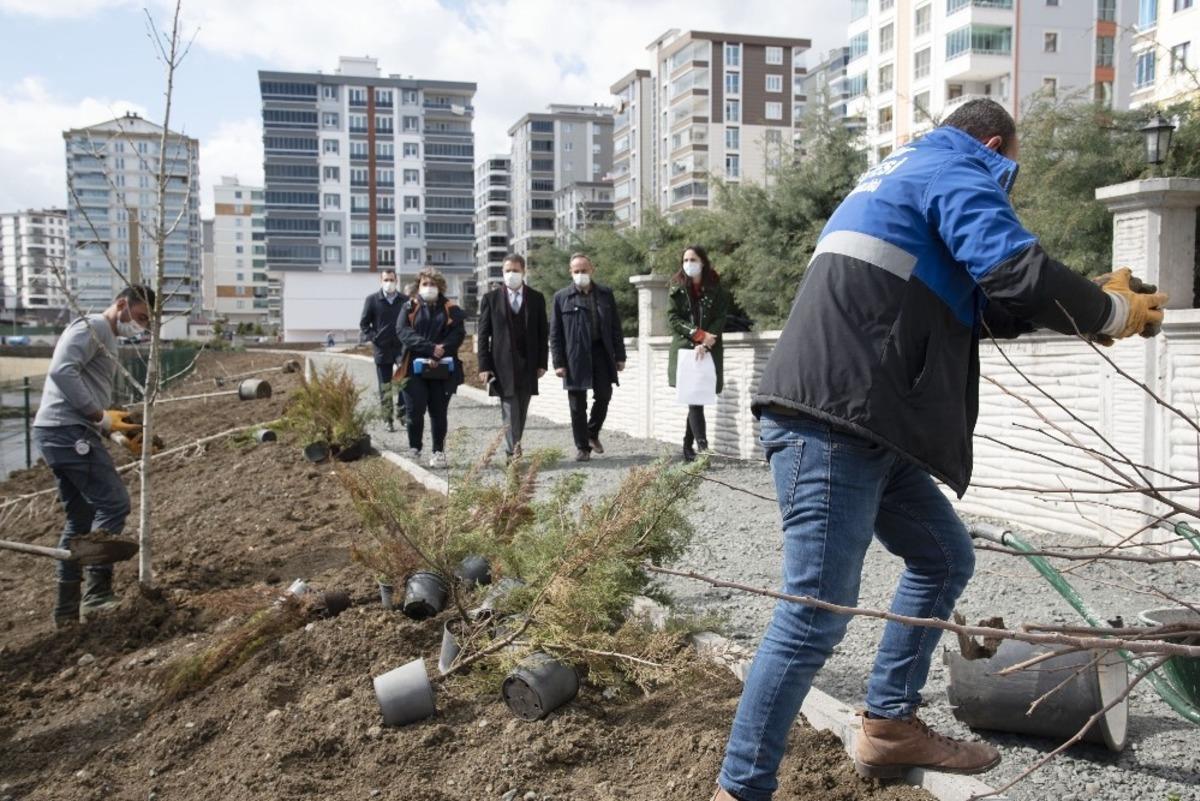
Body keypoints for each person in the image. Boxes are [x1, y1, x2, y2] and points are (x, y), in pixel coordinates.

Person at [710, 98, 1167, 801]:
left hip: (865, 417)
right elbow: (1015, 270)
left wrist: (1087, 297)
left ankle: (889, 723)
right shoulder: (955, 167)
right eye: (1010, 166)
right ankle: (739, 789)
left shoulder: (909, 173)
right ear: (993, 144)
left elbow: (986, 300)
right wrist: (1110, 313)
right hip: (837, 418)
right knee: (813, 614)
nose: (1007, 179)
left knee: (942, 554)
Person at [33, 284, 157, 628]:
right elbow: (62, 370)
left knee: (80, 519)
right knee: (114, 503)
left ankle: (66, 611)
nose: (144, 324)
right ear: (121, 304)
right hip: (68, 431)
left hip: (61, 432)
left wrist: (117, 423)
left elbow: (87, 383)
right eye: (141, 316)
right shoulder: (95, 327)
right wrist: (96, 415)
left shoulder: (106, 335)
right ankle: (97, 594)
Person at [550, 253, 626, 462]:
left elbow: (615, 327)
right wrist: (558, 363)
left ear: (592, 270)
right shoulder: (561, 297)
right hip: (574, 355)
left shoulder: (605, 294)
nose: (581, 274)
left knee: (604, 395)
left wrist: (620, 356)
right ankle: (582, 447)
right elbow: (555, 333)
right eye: (577, 271)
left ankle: (592, 433)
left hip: (601, 352)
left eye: (584, 270)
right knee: (577, 405)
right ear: (570, 272)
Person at [477, 254, 549, 463]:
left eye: (515, 270)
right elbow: (483, 335)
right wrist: (484, 365)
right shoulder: (491, 299)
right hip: (502, 365)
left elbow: (543, 333)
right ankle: (512, 452)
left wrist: (542, 363)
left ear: (523, 271)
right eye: (508, 270)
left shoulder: (536, 298)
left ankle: (515, 444)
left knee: (522, 410)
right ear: (502, 272)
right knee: (509, 408)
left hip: (528, 363)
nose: (511, 274)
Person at [397, 267, 466, 469]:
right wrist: (429, 349)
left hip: (442, 367)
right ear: (418, 285)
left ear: (440, 286)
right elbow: (403, 332)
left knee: (438, 411)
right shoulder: (409, 307)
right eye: (425, 284)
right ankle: (415, 448)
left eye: (433, 284)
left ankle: (438, 451)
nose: (429, 287)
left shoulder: (451, 308)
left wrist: (441, 350)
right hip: (413, 367)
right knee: (414, 409)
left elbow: (458, 334)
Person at [667, 245, 730, 462]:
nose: (689, 264)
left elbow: (720, 317)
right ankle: (702, 448)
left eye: (693, 259)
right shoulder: (677, 288)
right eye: (685, 260)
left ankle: (687, 447)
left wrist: (706, 341)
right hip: (686, 350)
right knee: (694, 400)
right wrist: (698, 336)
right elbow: (673, 319)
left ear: (702, 261)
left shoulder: (717, 289)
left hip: (709, 349)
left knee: (696, 398)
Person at [359, 268, 408, 432]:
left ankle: (402, 415)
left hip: (401, 349)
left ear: (397, 281)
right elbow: (364, 325)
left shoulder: (405, 300)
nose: (389, 283)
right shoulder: (372, 300)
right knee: (384, 386)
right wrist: (375, 337)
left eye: (392, 280)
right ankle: (388, 419)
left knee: (404, 383)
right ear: (381, 281)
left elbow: (411, 322)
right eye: (386, 280)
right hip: (382, 349)